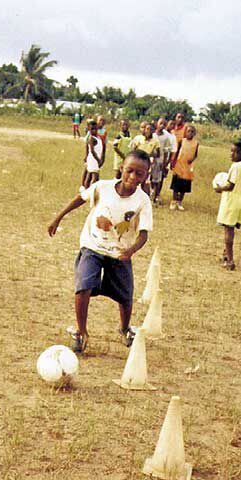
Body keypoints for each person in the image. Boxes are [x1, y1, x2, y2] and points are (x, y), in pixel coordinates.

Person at [48, 150, 153, 353]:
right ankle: (81, 331)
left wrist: (130, 251)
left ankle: (124, 329)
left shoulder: (143, 201)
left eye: (139, 174)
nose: (133, 177)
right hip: (92, 246)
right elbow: (80, 198)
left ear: (146, 175)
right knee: (83, 286)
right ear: (122, 167)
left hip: (119, 253)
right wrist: (58, 217)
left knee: (125, 296)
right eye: (129, 170)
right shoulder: (102, 187)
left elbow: (143, 234)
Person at [215, 142, 241, 271]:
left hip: (232, 203)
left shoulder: (235, 166)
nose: (231, 154)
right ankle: (225, 254)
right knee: (231, 229)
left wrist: (219, 188)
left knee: (228, 231)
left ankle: (230, 260)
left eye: (234, 151)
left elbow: (230, 185)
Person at [170, 125, 199, 211]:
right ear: (185, 132)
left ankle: (179, 202)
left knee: (184, 185)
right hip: (179, 165)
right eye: (188, 131)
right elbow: (177, 152)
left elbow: (196, 155)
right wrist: (173, 162)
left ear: (194, 133)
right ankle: (174, 201)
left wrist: (192, 159)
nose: (190, 133)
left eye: (192, 132)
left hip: (187, 167)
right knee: (176, 184)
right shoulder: (182, 141)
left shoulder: (196, 143)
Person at [131, 123, 160, 198]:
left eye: (151, 129)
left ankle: (145, 197)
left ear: (153, 131)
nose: (148, 131)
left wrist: (151, 155)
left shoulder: (155, 141)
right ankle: (132, 195)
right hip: (137, 161)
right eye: (147, 129)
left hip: (147, 163)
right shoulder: (138, 138)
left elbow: (158, 154)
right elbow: (133, 150)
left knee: (145, 181)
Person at [153, 118, 172, 204]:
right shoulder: (152, 135)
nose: (162, 126)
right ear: (157, 123)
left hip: (160, 161)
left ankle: (157, 195)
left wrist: (164, 163)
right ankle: (150, 193)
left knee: (159, 179)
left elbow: (166, 151)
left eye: (164, 124)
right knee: (150, 178)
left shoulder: (166, 137)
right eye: (160, 123)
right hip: (151, 160)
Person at [82, 120, 104, 189]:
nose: (94, 131)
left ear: (97, 128)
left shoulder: (98, 138)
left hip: (94, 159)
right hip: (93, 159)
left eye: (95, 129)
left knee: (89, 176)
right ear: (89, 129)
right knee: (95, 177)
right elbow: (92, 150)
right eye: (92, 129)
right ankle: (90, 191)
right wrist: (98, 160)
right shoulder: (91, 138)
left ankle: (86, 190)